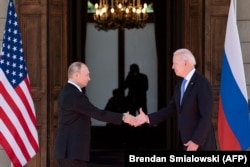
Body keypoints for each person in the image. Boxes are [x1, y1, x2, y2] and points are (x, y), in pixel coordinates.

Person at [54, 62, 135, 167]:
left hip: (67, 150)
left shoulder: (67, 92)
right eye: (87, 75)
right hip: (72, 152)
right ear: (76, 75)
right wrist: (124, 117)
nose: (89, 78)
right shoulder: (75, 95)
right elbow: (98, 114)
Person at [135, 48, 217, 151]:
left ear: (186, 63)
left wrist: (196, 141)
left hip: (200, 145)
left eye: (175, 63)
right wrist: (147, 118)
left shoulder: (202, 84)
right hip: (185, 143)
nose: (172, 67)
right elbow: (170, 109)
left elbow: (206, 116)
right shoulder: (180, 85)